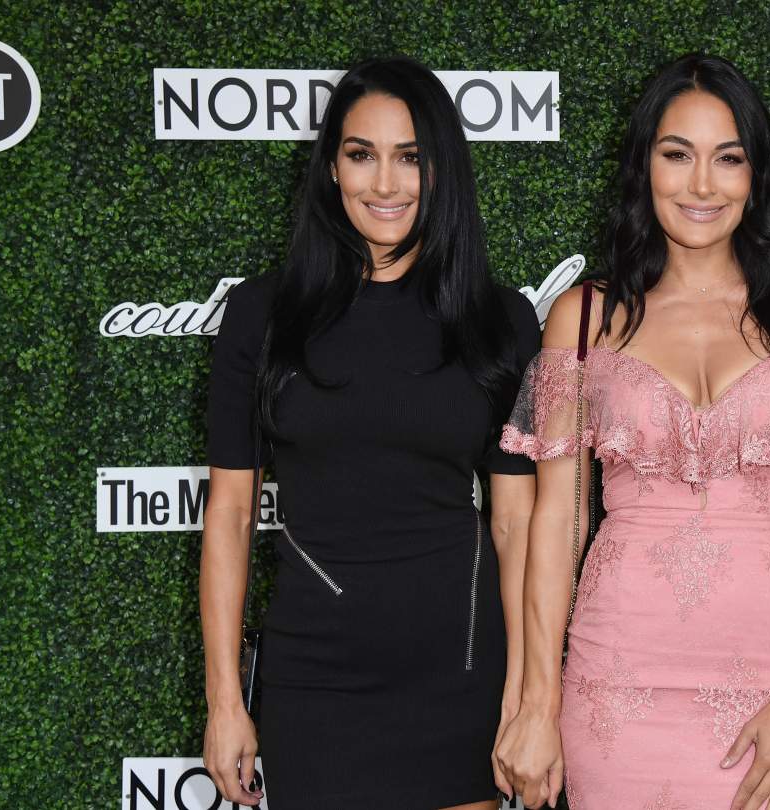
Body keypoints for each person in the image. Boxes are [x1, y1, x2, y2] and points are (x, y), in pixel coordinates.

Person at [495, 54, 770, 810]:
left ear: (757, 174)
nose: (702, 185)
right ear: (644, 165)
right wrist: (536, 705)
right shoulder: (584, 319)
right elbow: (557, 520)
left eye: (728, 159)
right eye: (677, 155)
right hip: (617, 676)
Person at [199, 56, 539, 809]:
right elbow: (227, 514)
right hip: (314, 673)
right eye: (362, 154)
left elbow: (516, 523)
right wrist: (226, 700)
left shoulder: (499, 319)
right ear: (330, 169)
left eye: (411, 157)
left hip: (460, 668)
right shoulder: (263, 316)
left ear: (443, 169)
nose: (385, 184)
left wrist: (525, 693)